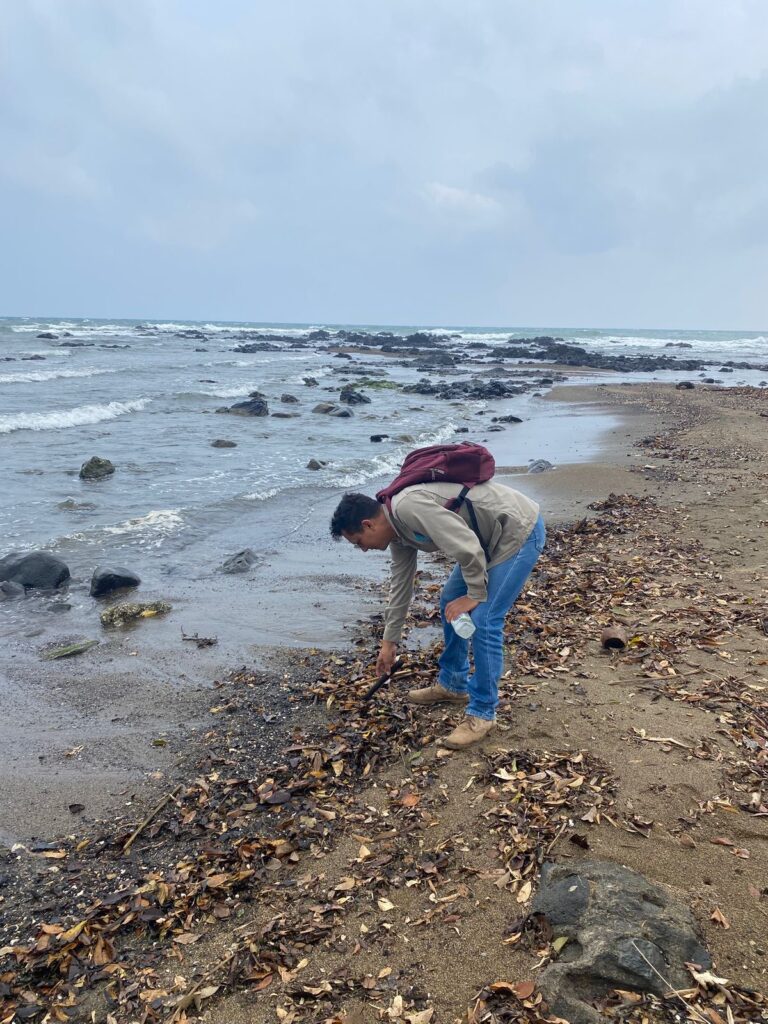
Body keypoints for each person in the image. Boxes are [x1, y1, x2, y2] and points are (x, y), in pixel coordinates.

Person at [330, 477, 545, 749]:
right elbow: (401, 584)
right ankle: (453, 683)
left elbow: (466, 545)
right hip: (485, 540)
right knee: (449, 600)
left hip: (517, 531)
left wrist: (475, 595)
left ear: (368, 524)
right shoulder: (397, 531)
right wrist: (389, 641)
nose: (363, 549)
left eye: (358, 541)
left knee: (485, 619)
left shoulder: (408, 507)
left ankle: (483, 713)